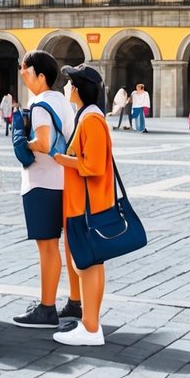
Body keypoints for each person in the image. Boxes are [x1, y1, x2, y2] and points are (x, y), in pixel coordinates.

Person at [9, 50, 80, 330]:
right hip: (66, 180)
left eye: (25, 70)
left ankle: (47, 308)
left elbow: (44, 142)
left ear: (40, 75)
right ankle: (75, 301)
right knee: (69, 244)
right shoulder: (61, 100)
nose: (22, 74)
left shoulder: (38, 103)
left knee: (47, 247)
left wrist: (22, 142)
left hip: (42, 183)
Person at [51, 64, 114, 346]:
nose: (66, 88)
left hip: (87, 206)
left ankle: (90, 328)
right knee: (88, 264)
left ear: (77, 89)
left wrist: (62, 159)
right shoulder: (87, 117)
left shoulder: (91, 121)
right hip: (84, 204)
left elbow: (94, 166)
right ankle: (90, 324)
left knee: (88, 265)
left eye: (69, 84)